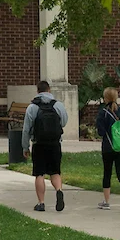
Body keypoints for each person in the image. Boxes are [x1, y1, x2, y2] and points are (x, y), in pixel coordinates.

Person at [22, 80, 69, 211]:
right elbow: (64, 122)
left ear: (37, 91)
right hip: (55, 143)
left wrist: (25, 147)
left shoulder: (32, 107)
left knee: (39, 174)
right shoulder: (58, 105)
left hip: (39, 144)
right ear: (49, 90)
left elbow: (26, 129)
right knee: (55, 172)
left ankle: (41, 203)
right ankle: (59, 190)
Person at [96, 87, 120, 212]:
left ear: (105, 98)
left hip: (109, 147)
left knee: (107, 174)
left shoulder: (103, 112)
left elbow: (100, 132)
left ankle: (106, 202)